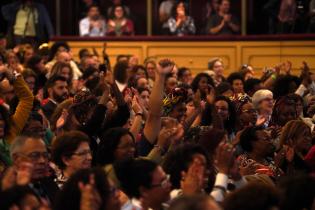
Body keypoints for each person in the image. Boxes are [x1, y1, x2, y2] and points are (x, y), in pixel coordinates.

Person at [9, 135, 59, 203]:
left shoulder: (49, 183)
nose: (42, 161)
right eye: (34, 155)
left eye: (45, 156)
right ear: (16, 159)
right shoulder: (8, 194)